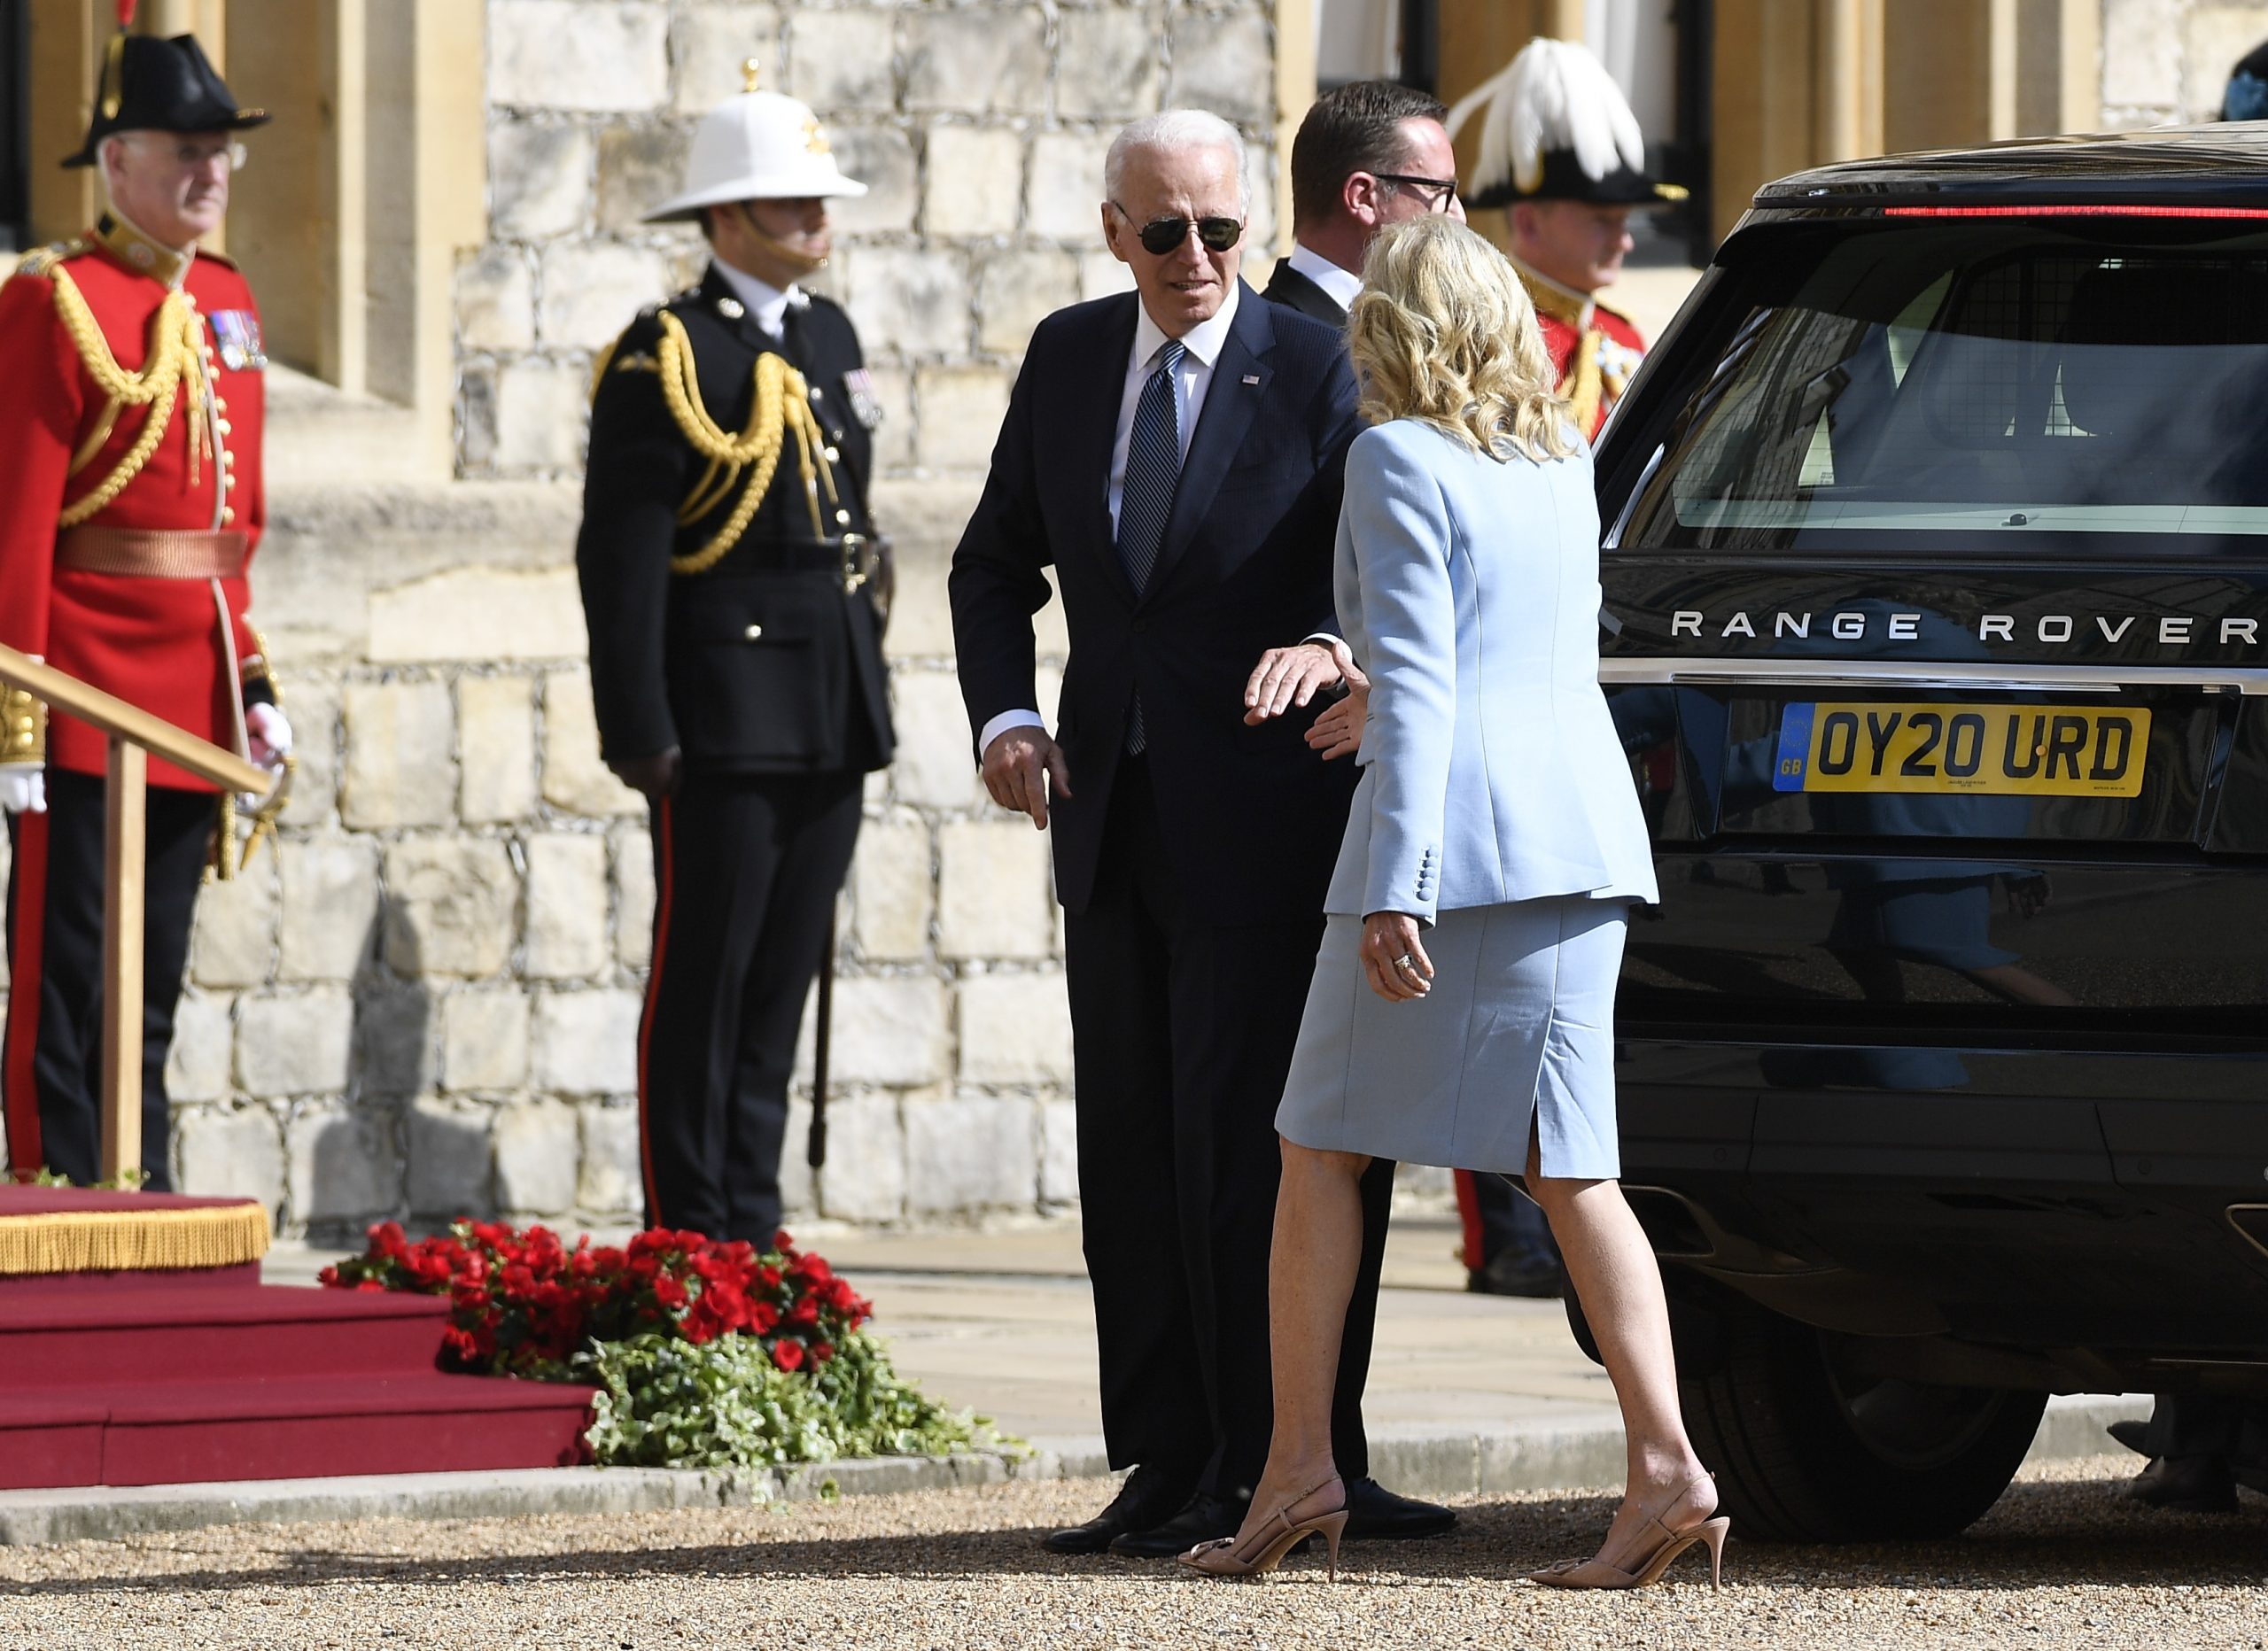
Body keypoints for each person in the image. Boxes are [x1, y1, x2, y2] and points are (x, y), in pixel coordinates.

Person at [1183, 215, 1728, 1591]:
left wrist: (1397, 886)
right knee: (1571, 1166)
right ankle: (1662, 1469)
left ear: (1389, 331)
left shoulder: (1393, 456)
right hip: (1579, 842)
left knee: (1318, 1152)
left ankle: (1298, 1471)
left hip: (1457, 857)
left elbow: (1423, 685)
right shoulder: (1556, 461)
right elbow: (1501, 660)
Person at [950, 109, 1442, 1558]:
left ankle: (1295, 1451)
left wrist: (1337, 643)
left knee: (1268, 1149)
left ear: (1252, 227)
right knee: (1135, 1150)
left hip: (1271, 810)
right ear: (1117, 233)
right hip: (1109, 809)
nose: (1195, 258)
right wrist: (1003, 720)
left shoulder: (1315, 362)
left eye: (1221, 230)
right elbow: (992, 564)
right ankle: (1168, 1457)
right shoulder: (1065, 358)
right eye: (1163, 232)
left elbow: (1393, 552)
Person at [575, 63, 893, 1249]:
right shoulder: (662, 354)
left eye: (821, 202)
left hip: (828, 701)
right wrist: (638, 726)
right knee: (705, 979)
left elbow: (851, 523)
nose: (819, 221)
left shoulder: (831, 333)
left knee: (780, 985)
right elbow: (620, 558)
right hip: (718, 712)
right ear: (724, 221)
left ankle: (754, 1227)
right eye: (791, 203)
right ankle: (691, 1230)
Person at [0, 24, 289, 1189]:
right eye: (184, 149)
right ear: (116, 162)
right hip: (78, 684)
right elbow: (17, 517)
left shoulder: (226, 299)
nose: (208, 173)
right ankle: (58, 1182)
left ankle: (144, 1183)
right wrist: (15, 711)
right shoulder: (55, 299)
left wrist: (253, 677)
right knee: (67, 966)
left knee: (154, 967)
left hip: (188, 694)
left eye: (221, 152)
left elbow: (234, 531)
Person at [1445, 37, 1686, 440]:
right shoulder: (1488, 335)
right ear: (1528, 223)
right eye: (1603, 221)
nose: (1624, 242)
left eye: (1624, 223)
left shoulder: (1621, 334)